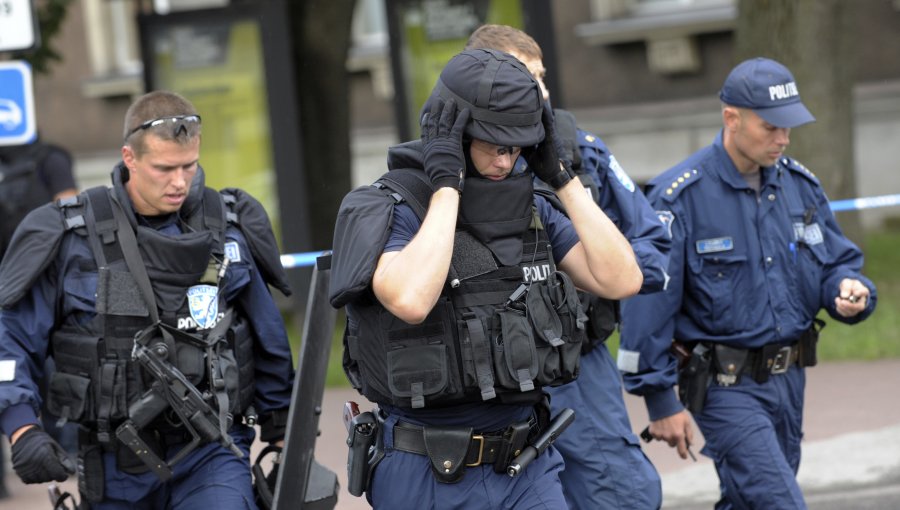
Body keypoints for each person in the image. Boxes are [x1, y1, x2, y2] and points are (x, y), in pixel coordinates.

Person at [330, 48, 642, 509]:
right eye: (495, 146)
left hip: (526, 465)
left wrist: (561, 178)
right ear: (456, 135)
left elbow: (621, 280)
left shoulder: (529, 204)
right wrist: (445, 187)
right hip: (430, 470)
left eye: (516, 148)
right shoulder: (387, 205)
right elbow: (411, 300)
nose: (506, 162)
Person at [0, 90, 295, 509]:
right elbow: (11, 337)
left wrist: (286, 439)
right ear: (130, 158)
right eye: (164, 168)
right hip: (112, 461)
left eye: (189, 166)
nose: (179, 181)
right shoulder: (74, 240)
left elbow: (267, 340)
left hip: (212, 451)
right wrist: (22, 428)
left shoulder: (225, 226)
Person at [618, 57, 877, 509]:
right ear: (731, 118)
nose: (783, 139)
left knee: (748, 501)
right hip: (725, 388)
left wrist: (849, 290)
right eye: (770, 127)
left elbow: (836, 262)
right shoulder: (681, 196)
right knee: (779, 503)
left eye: (789, 128)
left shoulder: (800, 186)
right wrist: (660, 400)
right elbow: (648, 305)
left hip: (789, 381)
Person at [465, 24, 667, 510]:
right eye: (526, 79)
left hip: (574, 363)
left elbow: (651, 250)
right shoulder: (445, 165)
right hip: (485, 376)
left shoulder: (581, 151)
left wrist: (582, 271)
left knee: (620, 494)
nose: (542, 93)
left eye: (542, 78)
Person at [0, 137, 79, 499]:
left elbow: (68, 208)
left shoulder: (47, 157)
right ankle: (59, 453)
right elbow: (68, 208)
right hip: (30, 282)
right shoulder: (48, 157)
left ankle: (54, 454)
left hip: (31, 285)